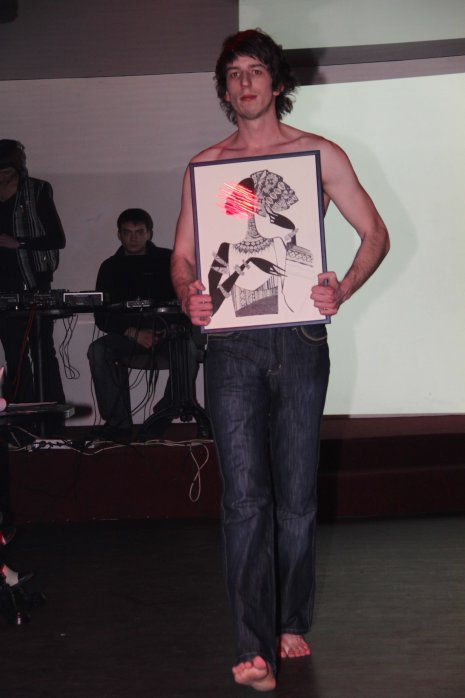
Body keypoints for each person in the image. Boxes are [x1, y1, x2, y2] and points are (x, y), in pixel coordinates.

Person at [171, 29, 390, 691]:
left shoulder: (317, 156)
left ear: (278, 83)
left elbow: (374, 234)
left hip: (299, 340)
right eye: (234, 73)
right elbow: (184, 256)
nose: (245, 82)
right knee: (244, 497)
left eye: (256, 71)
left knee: (295, 498)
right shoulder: (208, 167)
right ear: (224, 88)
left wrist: (340, 289)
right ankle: (251, 645)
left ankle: (290, 618)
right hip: (231, 346)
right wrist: (188, 295)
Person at [87, 208, 195, 440]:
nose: (133, 238)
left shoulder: (169, 260)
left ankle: (163, 415)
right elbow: (102, 316)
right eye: (127, 232)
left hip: (166, 334)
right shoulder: (110, 267)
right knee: (98, 351)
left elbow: (187, 301)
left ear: (149, 233)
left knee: (189, 349)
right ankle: (118, 424)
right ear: (119, 235)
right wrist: (133, 333)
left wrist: (168, 329)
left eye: (139, 232)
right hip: (128, 336)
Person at [0, 139, 66, 405]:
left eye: (7, 171)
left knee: (42, 352)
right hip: (3, 288)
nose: (2, 177)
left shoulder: (37, 190)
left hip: (34, 283)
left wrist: (19, 243)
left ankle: (52, 417)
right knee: (14, 356)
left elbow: (57, 239)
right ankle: (21, 417)